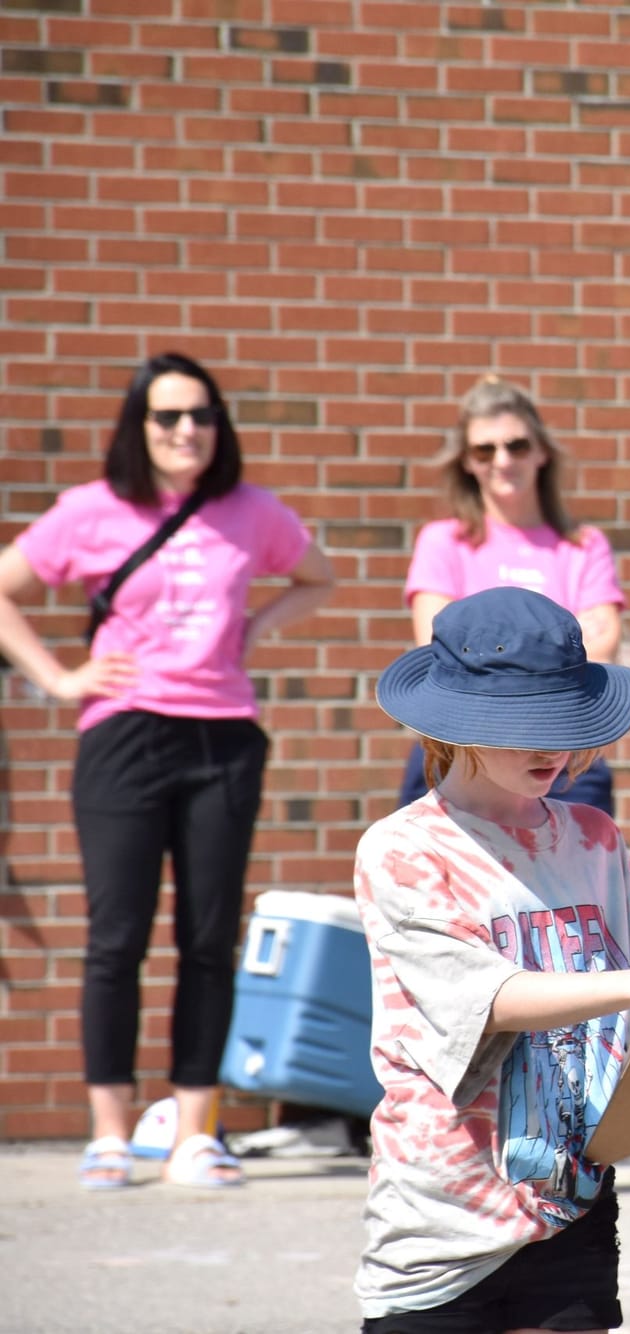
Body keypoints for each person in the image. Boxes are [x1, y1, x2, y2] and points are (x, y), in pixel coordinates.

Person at [0, 352, 335, 1190]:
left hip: (223, 740)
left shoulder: (250, 510)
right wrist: (59, 680)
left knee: (208, 940)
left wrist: (252, 630)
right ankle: (110, 1133)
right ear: (139, 426)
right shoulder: (93, 510)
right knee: (116, 939)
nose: (188, 430)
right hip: (124, 737)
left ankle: (193, 1133)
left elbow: (316, 576)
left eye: (202, 415)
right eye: (168, 416)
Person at [352, 586, 630, 1332]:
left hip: (572, 1197)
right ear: (458, 728)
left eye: (564, 722)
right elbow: (490, 999)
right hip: (442, 1214)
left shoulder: (595, 837)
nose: (551, 747)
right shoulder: (403, 848)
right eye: (524, 727)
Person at [396, 376, 624, 815]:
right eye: (485, 450)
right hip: (462, 757)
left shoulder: (583, 545)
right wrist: (553, 655)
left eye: (517, 446)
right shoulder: (443, 542)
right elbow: (437, 652)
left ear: (541, 452)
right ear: (467, 461)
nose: (502, 461)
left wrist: (490, 658)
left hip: (563, 759)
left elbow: (603, 647)